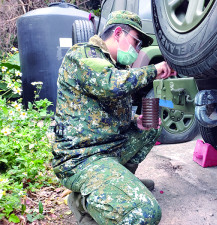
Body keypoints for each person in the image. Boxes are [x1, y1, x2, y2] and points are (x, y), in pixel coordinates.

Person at [52, 10, 175, 225]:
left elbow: (104, 112)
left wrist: (134, 121)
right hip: (83, 158)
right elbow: (111, 84)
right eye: (136, 43)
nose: (137, 50)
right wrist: (154, 70)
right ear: (118, 33)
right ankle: (83, 201)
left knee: (150, 126)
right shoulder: (82, 55)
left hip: (109, 149)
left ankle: (121, 181)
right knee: (144, 214)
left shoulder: (117, 66)